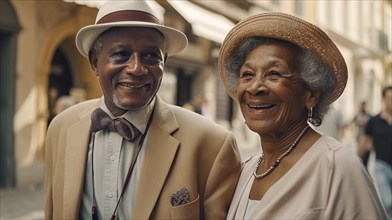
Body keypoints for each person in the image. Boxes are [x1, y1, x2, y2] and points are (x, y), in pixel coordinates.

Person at [44, 1, 241, 219]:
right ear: (94, 62)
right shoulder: (61, 128)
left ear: (164, 62)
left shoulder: (212, 143)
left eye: (151, 56)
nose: (137, 68)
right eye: (121, 54)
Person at [217, 12, 387, 219]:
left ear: (311, 94)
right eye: (247, 74)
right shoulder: (247, 170)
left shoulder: (337, 166)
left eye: (274, 74)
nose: (255, 87)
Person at [359, 86, 392, 219]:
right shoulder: (374, 121)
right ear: (384, 100)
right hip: (381, 166)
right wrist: (356, 161)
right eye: (389, 98)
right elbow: (366, 143)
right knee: (388, 202)